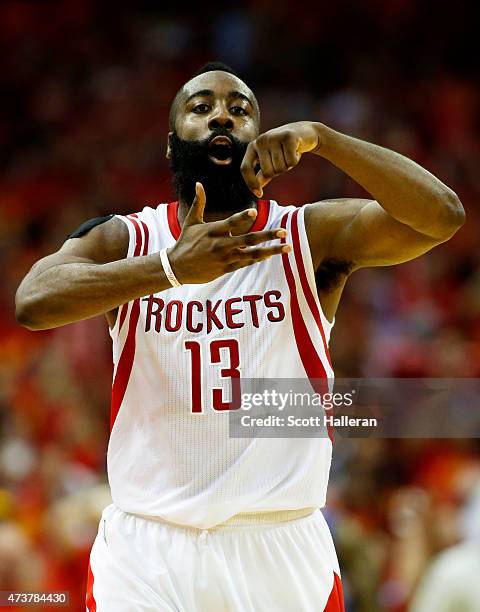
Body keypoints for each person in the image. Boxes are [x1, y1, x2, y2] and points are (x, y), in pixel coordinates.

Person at [15, 61, 464, 611]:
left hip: (277, 548)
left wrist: (324, 140)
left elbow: (441, 217)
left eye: (240, 109)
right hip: (146, 551)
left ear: (260, 140)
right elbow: (32, 303)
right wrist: (170, 269)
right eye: (200, 107)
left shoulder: (308, 236)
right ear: (171, 143)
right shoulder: (127, 241)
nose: (221, 115)